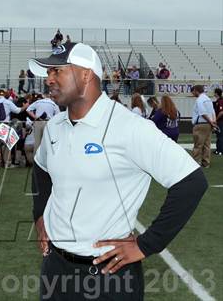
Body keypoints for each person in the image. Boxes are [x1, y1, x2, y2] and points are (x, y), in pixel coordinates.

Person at [28, 42, 207, 300]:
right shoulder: (56, 125)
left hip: (109, 276)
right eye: (49, 73)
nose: (49, 80)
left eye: (57, 71)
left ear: (86, 74)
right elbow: (41, 168)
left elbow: (191, 182)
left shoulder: (130, 128)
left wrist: (147, 244)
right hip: (55, 269)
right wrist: (39, 215)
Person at [0, 88, 29, 167]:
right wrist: (25, 106)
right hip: (4, 124)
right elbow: (17, 111)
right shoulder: (8, 102)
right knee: (6, 146)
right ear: (4, 94)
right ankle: (7, 163)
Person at [191, 85, 217, 168]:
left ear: (196, 90)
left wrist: (210, 122)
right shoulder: (208, 99)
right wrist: (213, 122)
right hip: (209, 124)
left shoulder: (199, 100)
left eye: (193, 91)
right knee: (207, 145)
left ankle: (196, 163)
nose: (193, 93)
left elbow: (202, 113)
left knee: (198, 144)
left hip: (201, 124)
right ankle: (206, 163)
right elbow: (213, 112)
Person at [213, 88, 223, 155]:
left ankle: (220, 150)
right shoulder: (217, 101)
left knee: (220, 135)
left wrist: (216, 119)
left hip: (221, 121)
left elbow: (221, 112)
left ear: (216, 93)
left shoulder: (221, 101)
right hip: (219, 121)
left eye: (214, 92)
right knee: (218, 135)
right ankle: (218, 149)